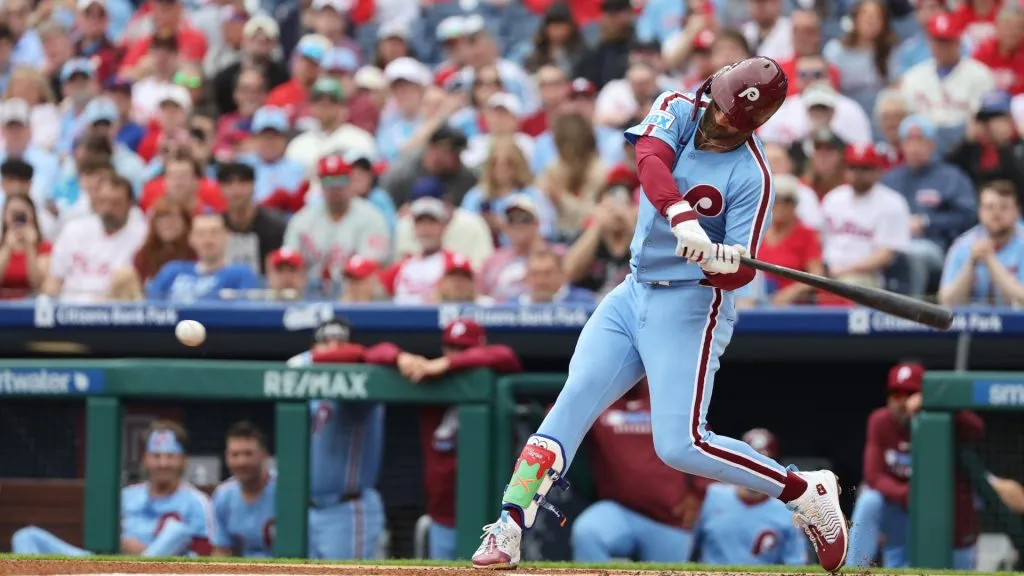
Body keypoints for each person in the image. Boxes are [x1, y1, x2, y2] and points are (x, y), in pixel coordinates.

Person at [470, 57, 848, 573]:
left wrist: (720, 260)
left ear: (753, 127)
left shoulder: (753, 176)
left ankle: (802, 489)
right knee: (573, 399)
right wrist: (681, 215)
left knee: (680, 445)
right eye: (716, 107)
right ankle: (509, 525)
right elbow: (649, 159)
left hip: (692, 306)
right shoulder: (679, 105)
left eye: (728, 121)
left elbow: (741, 275)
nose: (714, 122)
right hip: (633, 290)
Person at [364, 318, 522, 559]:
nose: (456, 352)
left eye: (464, 348)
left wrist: (448, 363)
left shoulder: (491, 368)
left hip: (492, 516)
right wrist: (401, 359)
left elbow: (506, 355)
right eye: (451, 347)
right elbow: (374, 353)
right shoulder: (429, 378)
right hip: (442, 514)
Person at [847, 363, 984, 569]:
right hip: (901, 510)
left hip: (941, 516)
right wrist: (906, 493)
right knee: (869, 500)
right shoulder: (880, 421)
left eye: (910, 393)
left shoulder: (942, 419)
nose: (902, 401)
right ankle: (853, 571)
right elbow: (873, 475)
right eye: (896, 395)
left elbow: (977, 429)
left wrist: (938, 402)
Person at [12, 420, 215, 556]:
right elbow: (100, 538)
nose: (163, 463)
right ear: (144, 460)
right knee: (27, 536)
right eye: (156, 456)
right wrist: (119, 544)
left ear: (183, 460)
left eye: (170, 456)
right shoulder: (126, 496)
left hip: (157, 569)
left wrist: (148, 552)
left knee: (177, 531)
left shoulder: (196, 501)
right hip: (109, 566)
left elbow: (203, 557)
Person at [571, 379, 708, 562]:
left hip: (668, 518)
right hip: (619, 510)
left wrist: (698, 495)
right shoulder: (600, 401)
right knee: (588, 532)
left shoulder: (671, 400)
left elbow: (703, 448)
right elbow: (559, 416)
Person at [286, 318, 388, 559]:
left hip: (346, 509)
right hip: (304, 508)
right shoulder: (302, 375)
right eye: (325, 341)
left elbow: (362, 357)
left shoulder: (362, 378)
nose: (333, 347)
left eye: (340, 342)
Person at [692, 429, 807, 565]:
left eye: (763, 464)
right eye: (750, 463)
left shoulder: (788, 511)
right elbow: (688, 548)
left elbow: (796, 564)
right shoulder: (712, 494)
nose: (755, 471)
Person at [283, 154, 391, 287]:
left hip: (356, 295)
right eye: (328, 181)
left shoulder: (372, 218)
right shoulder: (302, 220)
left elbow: (374, 265)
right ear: (321, 185)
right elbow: (288, 262)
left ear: (351, 181)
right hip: (309, 293)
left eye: (340, 180)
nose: (335, 188)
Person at [43, 174, 147, 302]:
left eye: (116, 203)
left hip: (115, 312)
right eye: (103, 202)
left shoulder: (143, 235)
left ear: (130, 204)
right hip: (69, 310)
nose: (108, 209)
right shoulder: (73, 229)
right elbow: (54, 279)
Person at [938, 180, 1024, 306]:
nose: (996, 213)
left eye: (1004, 207)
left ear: (1017, 211)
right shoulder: (963, 245)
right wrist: (971, 264)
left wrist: (991, 261)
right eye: (989, 207)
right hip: (974, 323)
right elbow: (947, 302)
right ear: (980, 211)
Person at [146, 212, 261, 303]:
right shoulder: (172, 271)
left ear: (226, 236)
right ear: (191, 239)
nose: (207, 240)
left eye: (214, 233)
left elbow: (243, 313)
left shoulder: (241, 273)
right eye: (201, 234)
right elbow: (151, 308)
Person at [211, 422, 276, 558]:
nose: (242, 462)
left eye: (248, 454)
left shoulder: (285, 488)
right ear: (227, 457)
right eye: (235, 455)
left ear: (263, 455)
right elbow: (221, 551)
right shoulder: (223, 495)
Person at [0, 193, 50, 298]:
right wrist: (7, 248)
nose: (18, 218)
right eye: (13, 213)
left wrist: (30, 247)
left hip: (31, 304)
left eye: (22, 213)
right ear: (5, 216)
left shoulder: (44, 248)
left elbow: (37, 284)